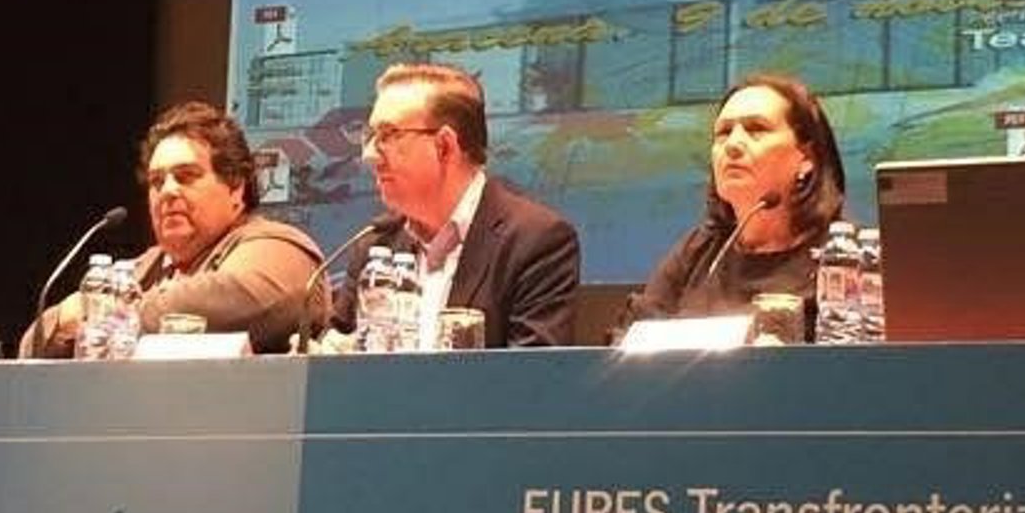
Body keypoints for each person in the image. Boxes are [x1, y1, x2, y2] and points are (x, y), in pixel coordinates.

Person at [24, 101, 324, 356]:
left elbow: (247, 298)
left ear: (236, 188)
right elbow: (33, 345)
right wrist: (72, 317)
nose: (167, 191)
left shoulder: (279, 245)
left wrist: (102, 315)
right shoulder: (146, 266)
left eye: (186, 176)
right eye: (156, 181)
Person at [328, 62, 580, 349]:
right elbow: (336, 353)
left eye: (388, 135)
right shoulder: (377, 243)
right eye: (370, 136)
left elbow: (531, 372)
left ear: (445, 145)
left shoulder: (535, 242)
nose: (369, 154)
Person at [625, 73, 846, 324]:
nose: (733, 145)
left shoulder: (844, 256)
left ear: (807, 158)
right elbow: (632, 335)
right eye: (724, 132)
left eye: (756, 129)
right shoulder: (698, 252)